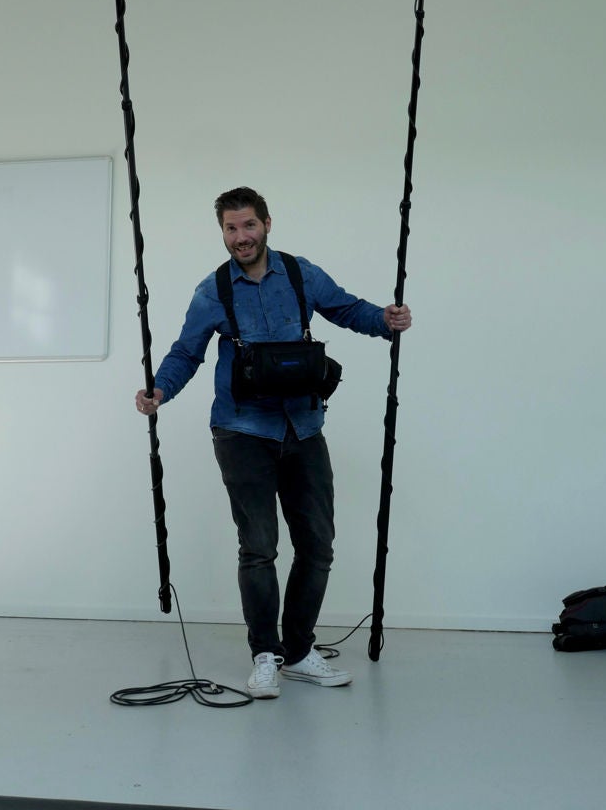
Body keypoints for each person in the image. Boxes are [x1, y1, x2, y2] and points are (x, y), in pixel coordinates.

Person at [135, 186, 411, 700]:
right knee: (259, 548)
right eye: (230, 228)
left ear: (266, 224)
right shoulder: (213, 290)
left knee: (318, 546)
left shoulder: (301, 274)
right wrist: (159, 390)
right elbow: (186, 352)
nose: (240, 237)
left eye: (248, 225)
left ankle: (299, 652)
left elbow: (347, 309)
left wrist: (384, 320)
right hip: (241, 432)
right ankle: (265, 655)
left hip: (304, 428)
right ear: (223, 233)